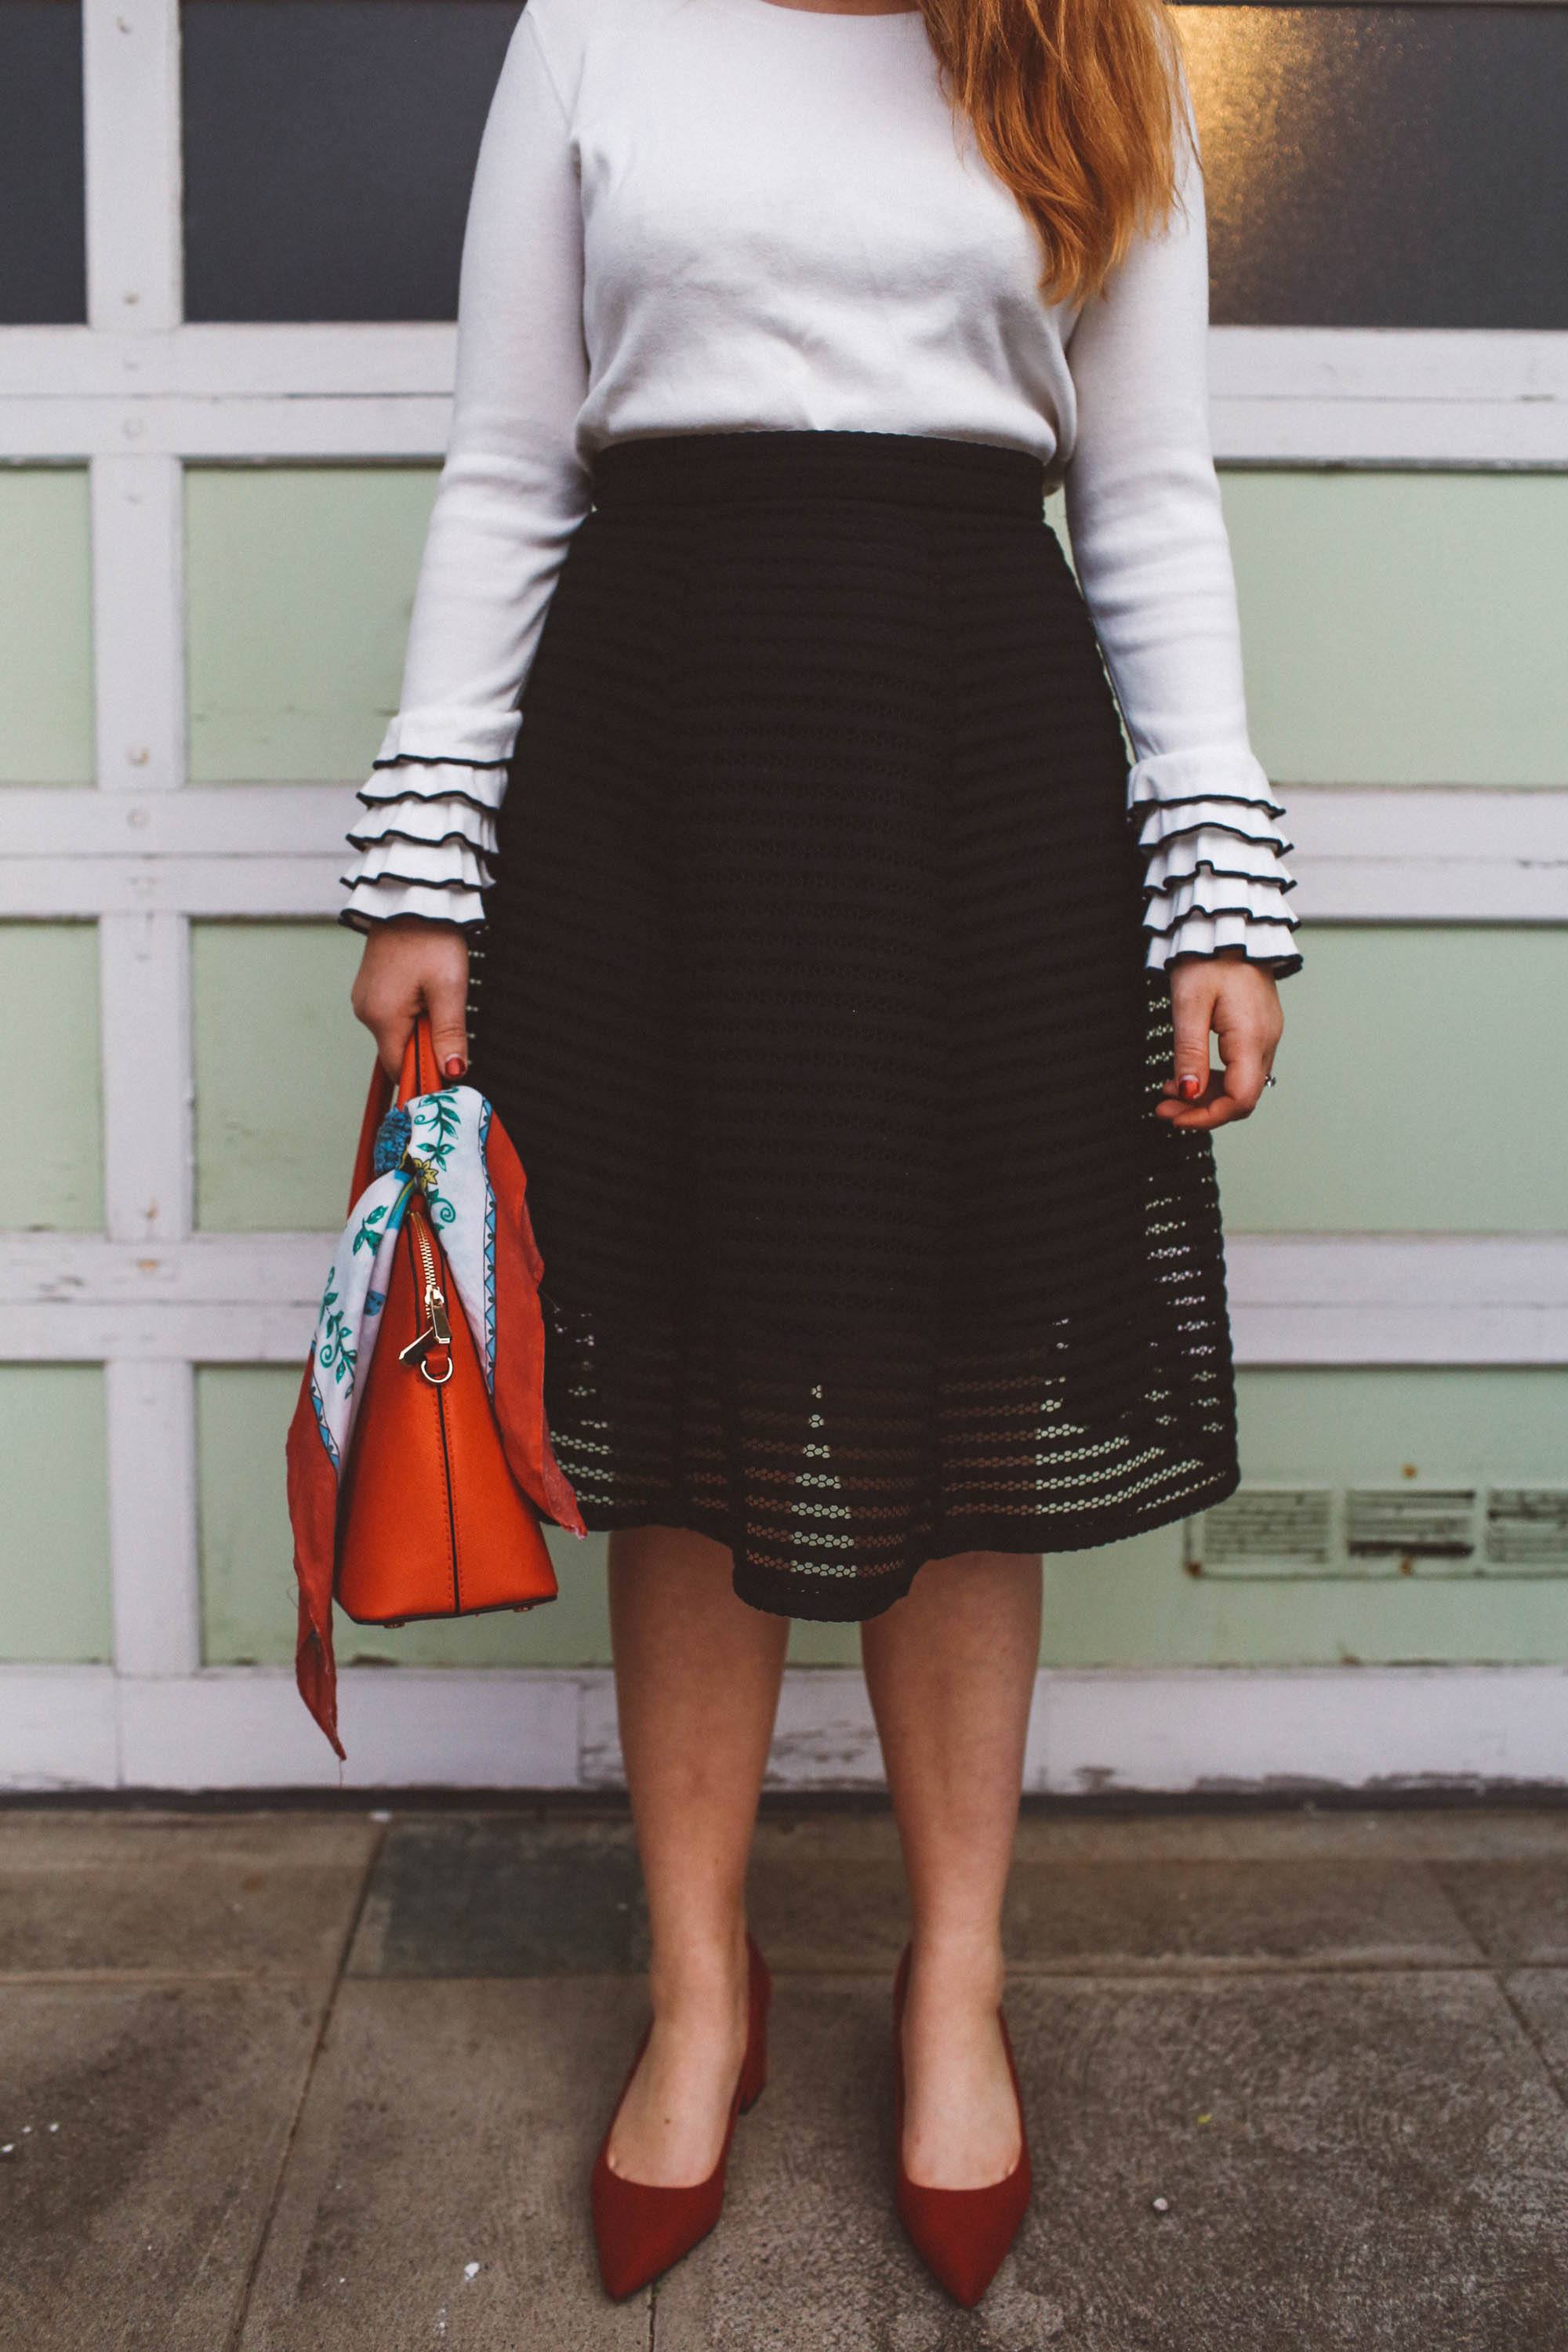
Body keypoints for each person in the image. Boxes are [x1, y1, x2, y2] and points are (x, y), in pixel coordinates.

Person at [343, 0, 1298, 2307]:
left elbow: (1148, 492)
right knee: (678, 1396)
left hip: (976, 769)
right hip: (654, 766)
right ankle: (703, 1988)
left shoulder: (1091, 43)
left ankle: (954, 1986)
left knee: (968, 1381)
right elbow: (508, 464)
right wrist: (423, 863)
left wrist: (1218, 889)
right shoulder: (597, 25)